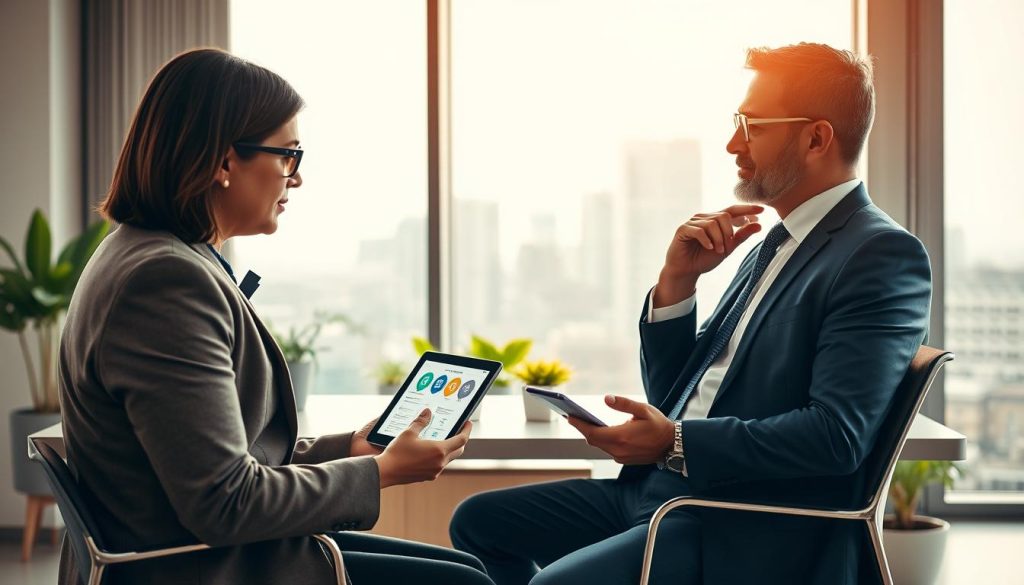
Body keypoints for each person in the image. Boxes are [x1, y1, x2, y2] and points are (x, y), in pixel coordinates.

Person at [450, 42, 931, 585]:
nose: (732, 144)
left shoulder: (880, 255)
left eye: (752, 126)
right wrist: (678, 282)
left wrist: (675, 441)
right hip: (661, 491)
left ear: (817, 137)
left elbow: (835, 436)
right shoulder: (772, 245)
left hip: (735, 521)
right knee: (479, 523)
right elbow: (674, 393)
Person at [58, 48, 493, 585]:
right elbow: (225, 501)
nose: (297, 177)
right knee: (467, 580)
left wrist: (348, 450)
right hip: (202, 566)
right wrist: (379, 471)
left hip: (200, 551)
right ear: (222, 161)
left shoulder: (148, 253)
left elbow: (210, 451)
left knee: (468, 569)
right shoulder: (165, 284)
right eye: (288, 154)